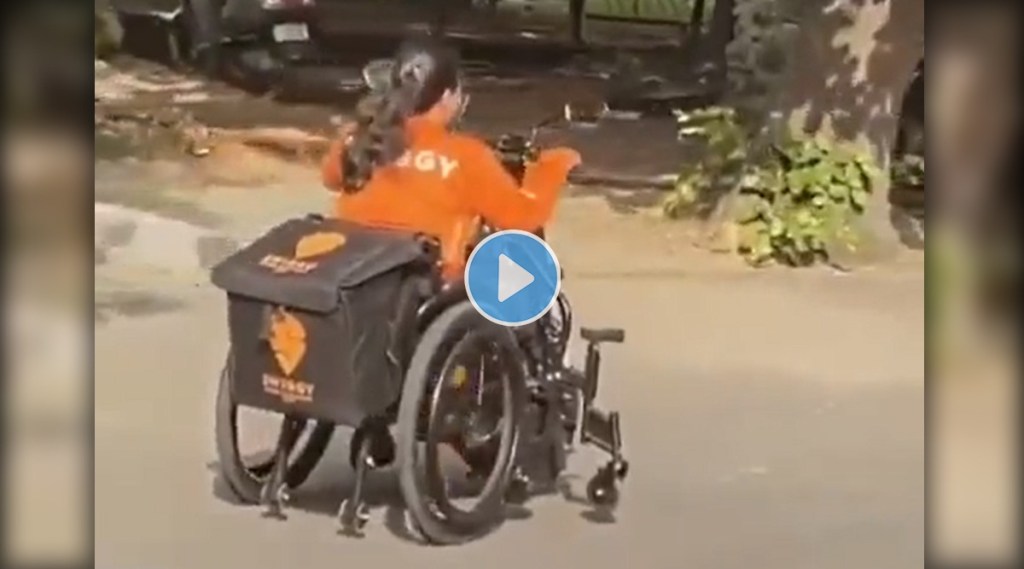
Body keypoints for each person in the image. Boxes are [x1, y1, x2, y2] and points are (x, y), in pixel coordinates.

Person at [321, 36, 581, 279]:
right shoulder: (465, 155)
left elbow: (331, 178)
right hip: (425, 285)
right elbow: (521, 219)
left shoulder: (360, 137)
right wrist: (553, 168)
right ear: (447, 96)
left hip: (353, 276)